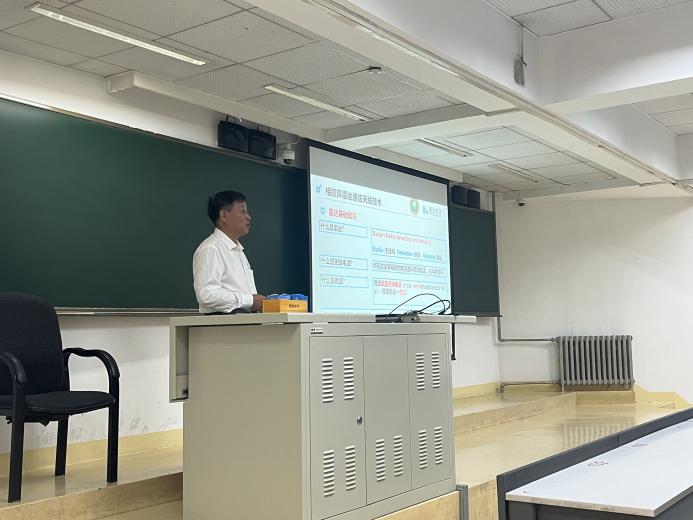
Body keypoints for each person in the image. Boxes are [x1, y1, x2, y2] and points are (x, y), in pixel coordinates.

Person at [193, 191, 265, 314]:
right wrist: (250, 300)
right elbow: (207, 295)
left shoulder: (238, 251)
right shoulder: (211, 248)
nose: (248, 217)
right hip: (224, 322)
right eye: (242, 211)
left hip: (244, 320)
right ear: (224, 215)